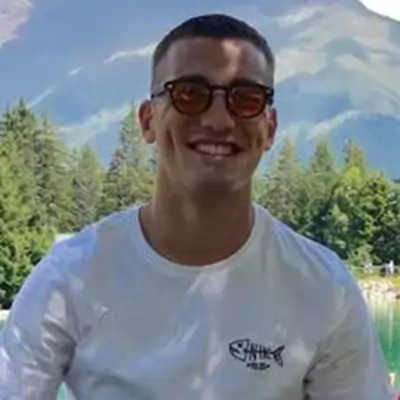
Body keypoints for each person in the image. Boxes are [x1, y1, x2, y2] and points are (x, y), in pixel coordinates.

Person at [0, 13, 392, 400]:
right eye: (189, 94)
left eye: (246, 98)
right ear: (147, 120)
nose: (219, 120)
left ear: (270, 127)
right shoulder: (69, 278)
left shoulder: (323, 288)